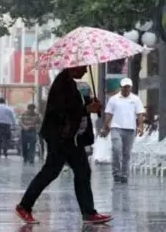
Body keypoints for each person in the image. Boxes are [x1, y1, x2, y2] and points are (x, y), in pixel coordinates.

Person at [15, 67, 112, 225]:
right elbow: (62, 110)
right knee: (50, 172)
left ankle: (89, 213)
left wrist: (90, 103)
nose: (86, 71)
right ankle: (24, 206)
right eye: (84, 67)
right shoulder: (62, 83)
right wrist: (86, 109)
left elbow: (74, 104)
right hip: (60, 138)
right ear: (74, 66)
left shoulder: (71, 83)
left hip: (72, 139)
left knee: (83, 172)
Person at [101, 77, 145, 183]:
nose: (126, 89)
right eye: (124, 87)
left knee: (126, 153)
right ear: (121, 87)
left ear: (130, 87)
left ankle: (124, 174)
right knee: (116, 149)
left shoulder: (135, 99)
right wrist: (105, 126)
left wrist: (140, 126)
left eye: (128, 87)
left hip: (130, 129)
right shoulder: (114, 99)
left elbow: (140, 114)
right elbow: (108, 113)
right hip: (116, 128)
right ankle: (116, 173)